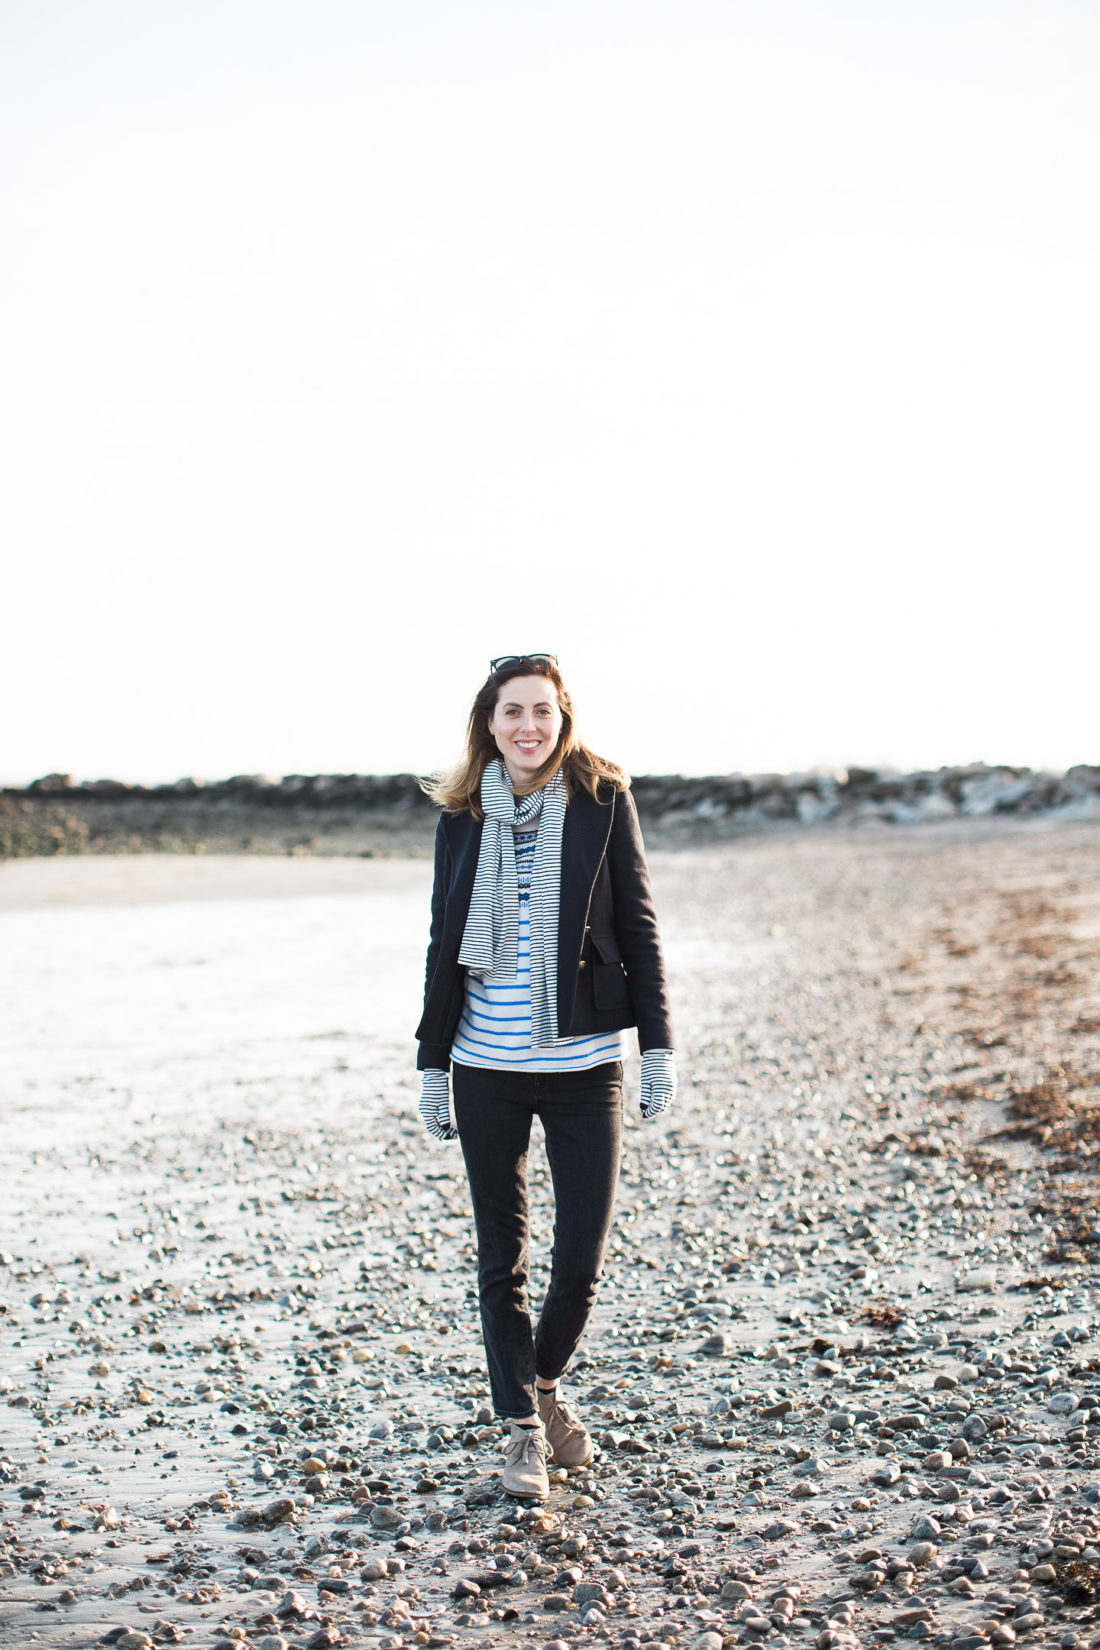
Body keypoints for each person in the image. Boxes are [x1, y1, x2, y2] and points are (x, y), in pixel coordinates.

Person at [415, 653, 677, 1500]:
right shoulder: (459, 819)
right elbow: (441, 946)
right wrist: (430, 1061)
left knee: (581, 1262)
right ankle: (525, 1430)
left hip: (583, 1067)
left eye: (542, 710)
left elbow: (636, 922)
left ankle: (544, 1379)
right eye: (510, 712)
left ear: (563, 718)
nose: (527, 726)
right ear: (488, 724)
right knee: (503, 1258)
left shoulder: (603, 800)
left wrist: (659, 1045)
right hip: (484, 1068)